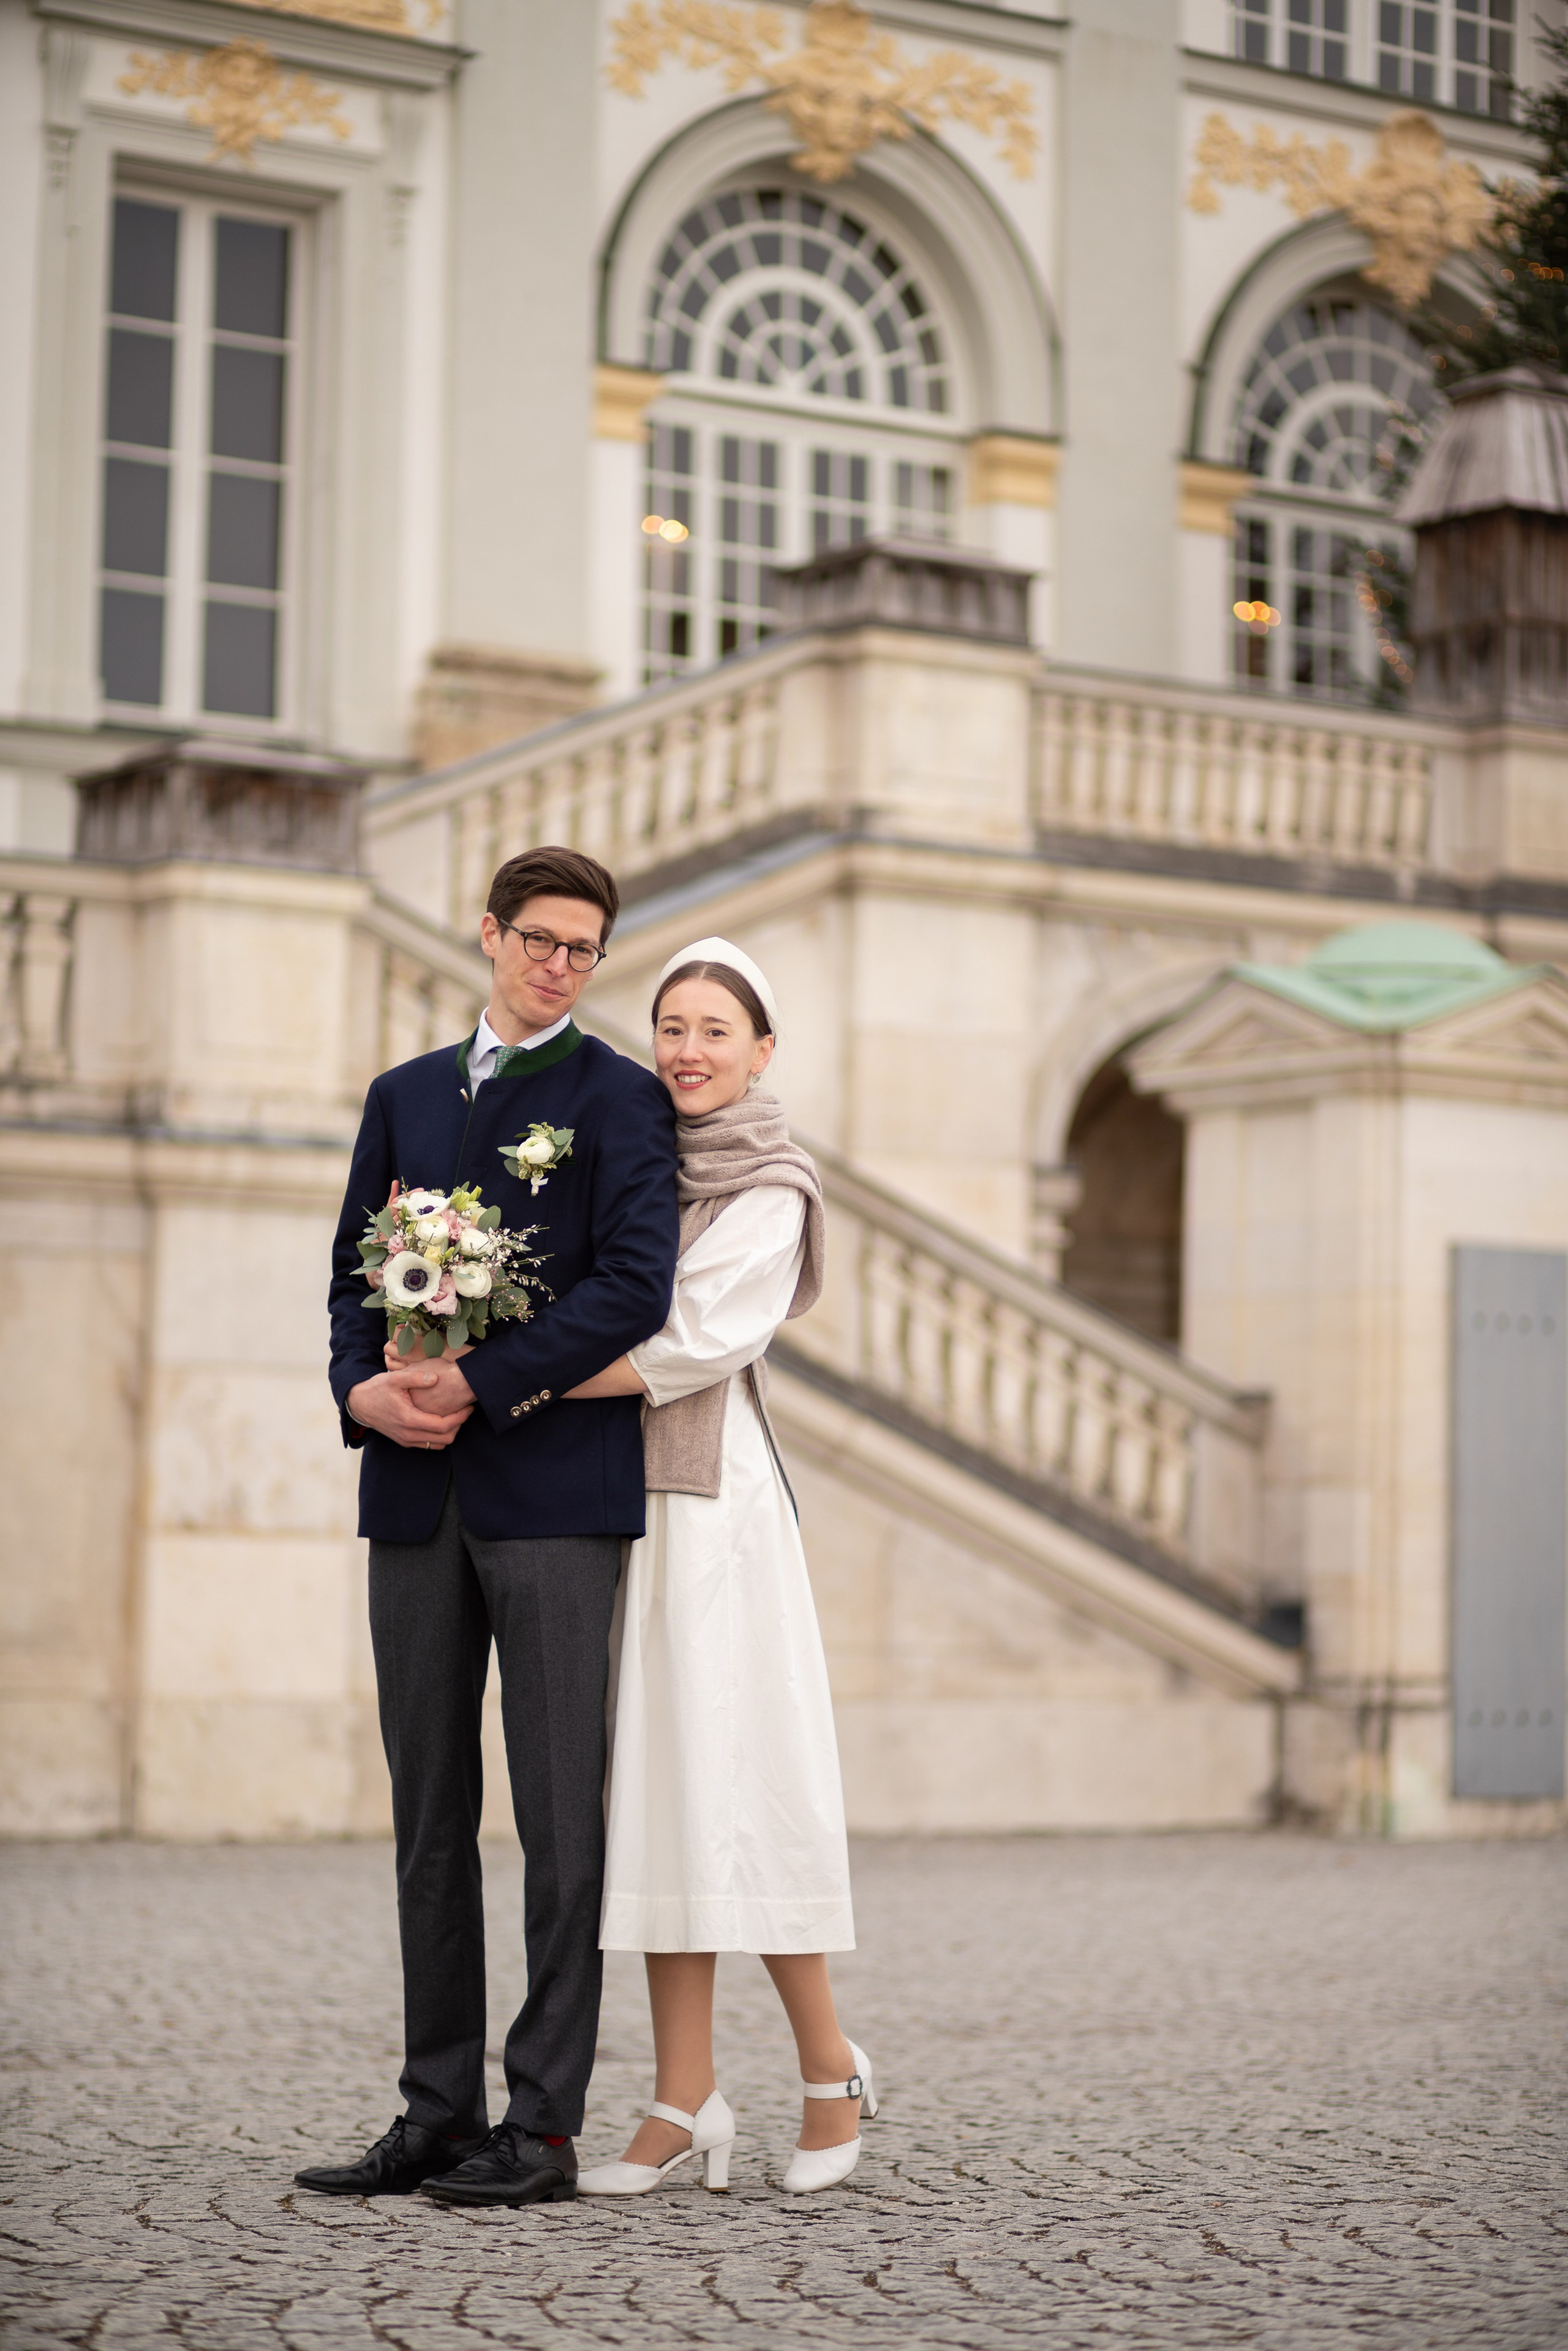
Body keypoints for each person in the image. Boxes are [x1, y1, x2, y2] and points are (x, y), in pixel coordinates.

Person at [296, 846, 679, 2209]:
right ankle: (437, 2111)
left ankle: (545, 2126)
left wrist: (484, 1379)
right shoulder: (402, 1094)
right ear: (489, 934)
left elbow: (634, 1286)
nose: (560, 964)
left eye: (583, 948)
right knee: (427, 1813)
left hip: (556, 1496)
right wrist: (359, 1389)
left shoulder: (620, 1098)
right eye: (539, 940)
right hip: (412, 1495)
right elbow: (351, 1276)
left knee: (560, 1821)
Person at [562, 937, 875, 2199]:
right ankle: (682, 2096)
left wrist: (519, 1378)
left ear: (762, 1051)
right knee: (661, 1791)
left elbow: (691, 1338)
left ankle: (829, 2069)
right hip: (620, 1497)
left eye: (714, 1029)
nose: (687, 1050)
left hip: (715, 1511)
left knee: (750, 1781)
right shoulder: (634, 1158)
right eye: (671, 1026)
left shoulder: (773, 1185)